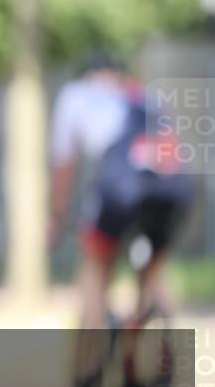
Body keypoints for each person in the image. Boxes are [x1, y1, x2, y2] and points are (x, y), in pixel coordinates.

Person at [49, 52, 194, 365]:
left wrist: (56, 216)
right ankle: (167, 346)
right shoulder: (146, 96)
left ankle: (90, 359)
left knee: (95, 265)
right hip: (171, 192)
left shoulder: (75, 95)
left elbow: (64, 165)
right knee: (154, 270)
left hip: (120, 192)